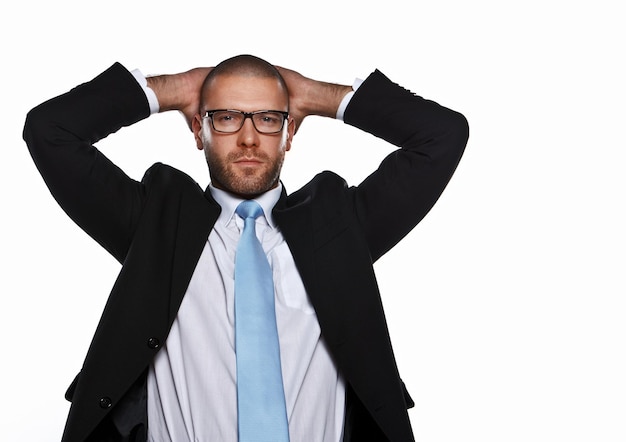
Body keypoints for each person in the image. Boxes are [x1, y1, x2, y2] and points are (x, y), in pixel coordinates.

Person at [23, 54, 469, 442]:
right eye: (228, 117)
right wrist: (173, 89)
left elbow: (442, 135)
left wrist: (319, 95)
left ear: (289, 134)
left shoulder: (339, 226)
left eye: (268, 118)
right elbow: (49, 130)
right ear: (199, 129)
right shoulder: (154, 224)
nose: (250, 138)